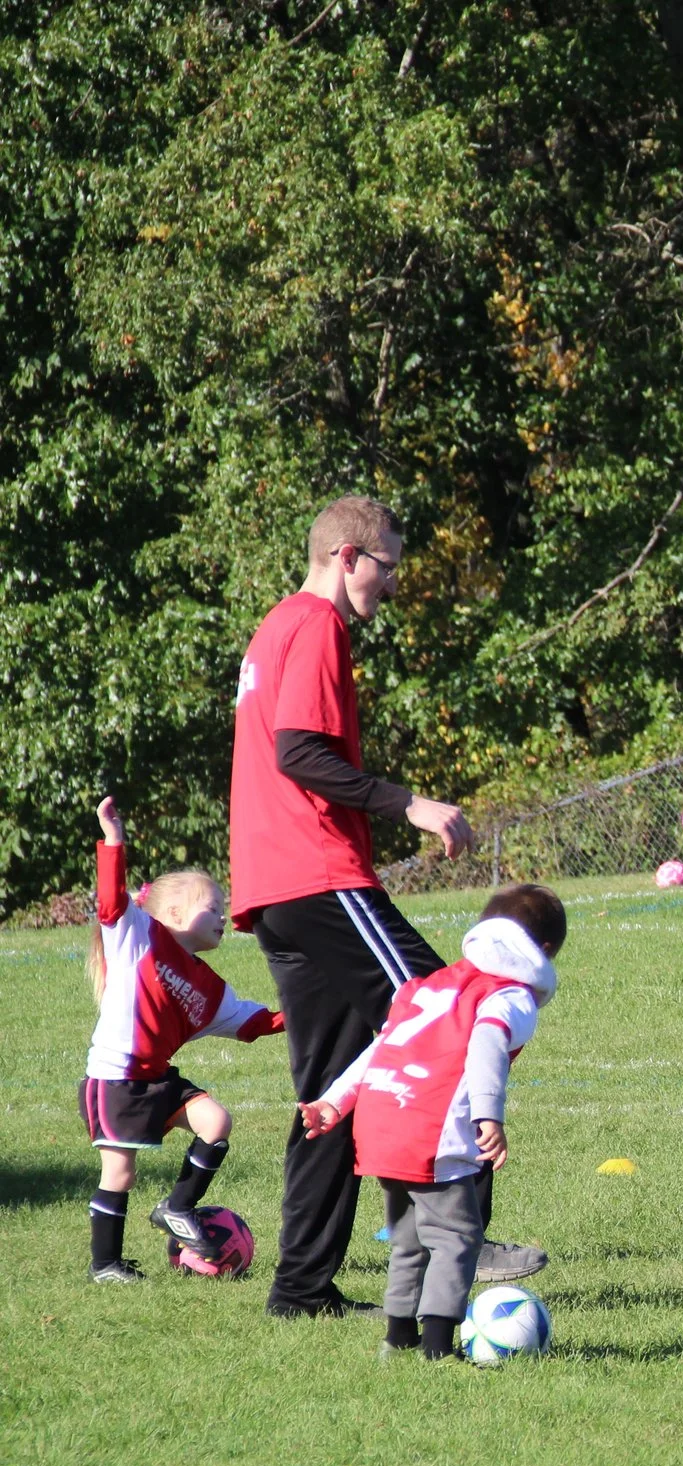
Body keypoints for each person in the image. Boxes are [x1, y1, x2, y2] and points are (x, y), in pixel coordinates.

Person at [230, 493, 541, 1319]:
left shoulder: (273, 627)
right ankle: (455, 1233)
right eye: (388, 567)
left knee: (333, 1088)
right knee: (452, 1010)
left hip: (276, 890)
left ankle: (300, 1288)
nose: (392, 586)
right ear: (347, 557)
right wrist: (410, 803)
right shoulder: (316, 625)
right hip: (316, 872)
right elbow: (299, 752)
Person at [300, 885, 566, 1361]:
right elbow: (488, 1040)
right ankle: (440, 1348)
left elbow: (382, 1046)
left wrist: (335, 1101)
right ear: (544, 952)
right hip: (430, 1128)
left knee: (408, 1237)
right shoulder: (509, 995)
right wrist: (488, 1113)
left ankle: (398, 1336)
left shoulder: (430, 985)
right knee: (457, 1238)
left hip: (381, 1123)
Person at [79, 797, 285, 1282]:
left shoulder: (210, 987)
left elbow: (254, 1023)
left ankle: (177, 1207)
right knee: (120, 1175)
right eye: (214, 907)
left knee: (215, 1121)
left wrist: (312, 1009)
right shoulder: (138, 933)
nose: (223, 918)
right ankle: (105, 1264)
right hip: (115, 1079)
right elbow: (110, 899)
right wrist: (113, 841)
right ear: (172, 911)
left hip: (158, 1079)